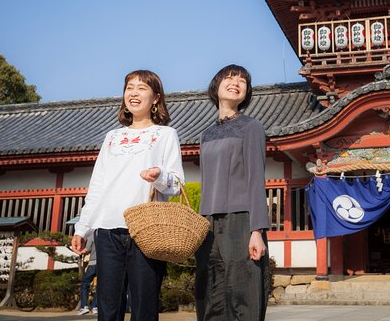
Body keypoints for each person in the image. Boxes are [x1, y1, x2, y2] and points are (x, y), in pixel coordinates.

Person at [71, 70, 184, 321]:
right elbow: (98, 185)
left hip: (145, 229)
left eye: (142, 88)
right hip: (108, 229)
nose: (133, 92)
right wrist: (83, 229)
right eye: (129, 87)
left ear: (155, 98)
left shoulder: (165, 134)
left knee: (144, 307)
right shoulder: (112, 137)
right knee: (108, 307)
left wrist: (159, 176)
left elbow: (177, 184)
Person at [194, 64, 271, 321]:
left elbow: (256, 179)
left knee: (243, 295)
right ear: (216, 86)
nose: (236, 82)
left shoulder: (251, 127)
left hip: (241, 220)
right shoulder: (206, 134)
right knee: (210, 295)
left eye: (242, 81)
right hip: (208, 224)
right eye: (229, 78)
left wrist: (257, 230)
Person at [77, 236, 98, 315]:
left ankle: (84, 307)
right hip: (104, 264)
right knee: (100, 286)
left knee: (85, 284)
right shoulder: (109, 234)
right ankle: (95, 307)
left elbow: (87, 250)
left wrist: (80, 250)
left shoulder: (92, 235)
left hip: (93, 263)